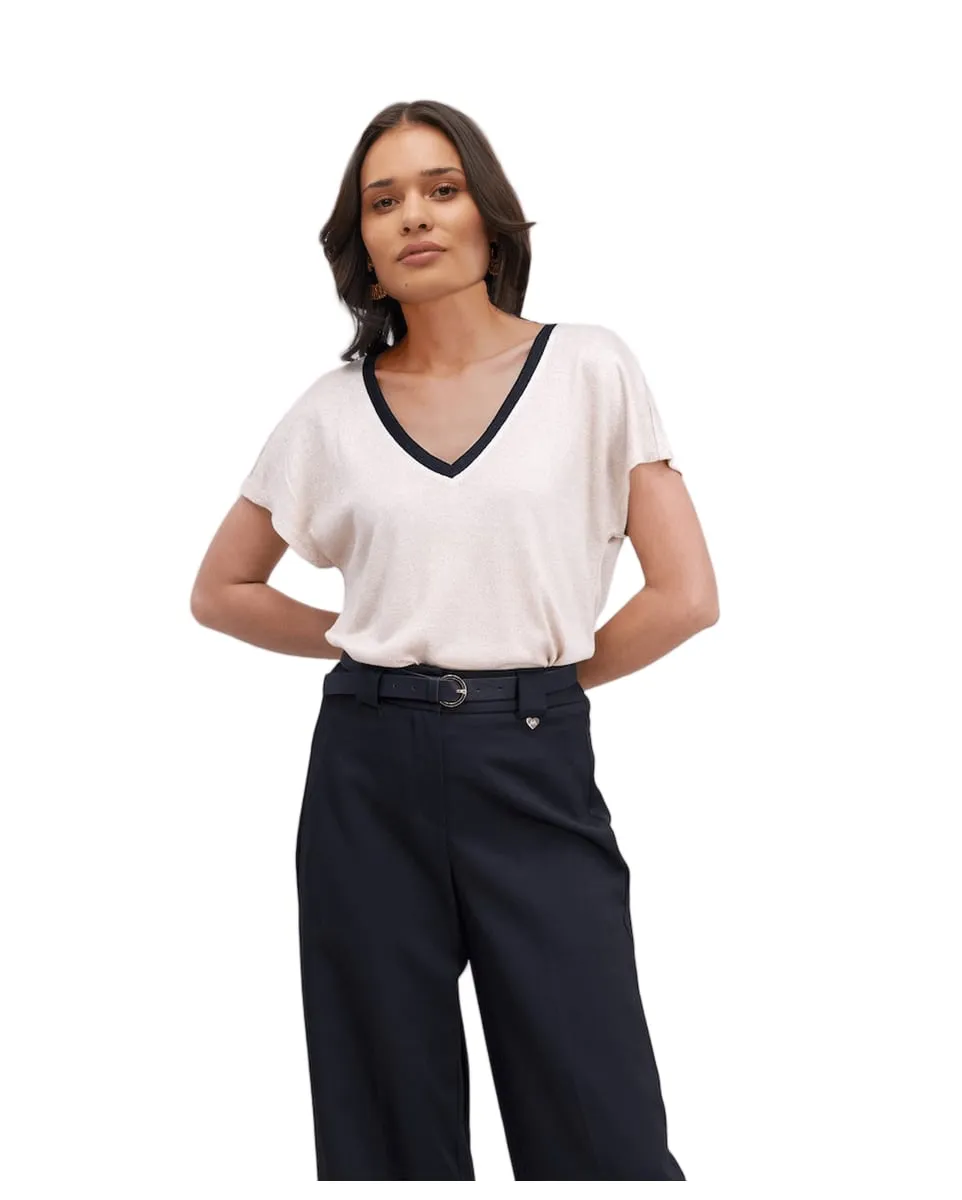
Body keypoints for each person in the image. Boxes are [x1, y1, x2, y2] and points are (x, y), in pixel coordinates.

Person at [191, 98, 718, 1181]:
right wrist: (372, 637)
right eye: (383, 201)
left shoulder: (590, 367)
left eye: (441, 188)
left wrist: (541, 680)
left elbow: (684, 595)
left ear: (490, 216)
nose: (415, 216)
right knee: (384, 1123)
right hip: (366, 771)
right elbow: (222, 590)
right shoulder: (330, 411)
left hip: (532, 756)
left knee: (599, 1121)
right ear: (362, 245)